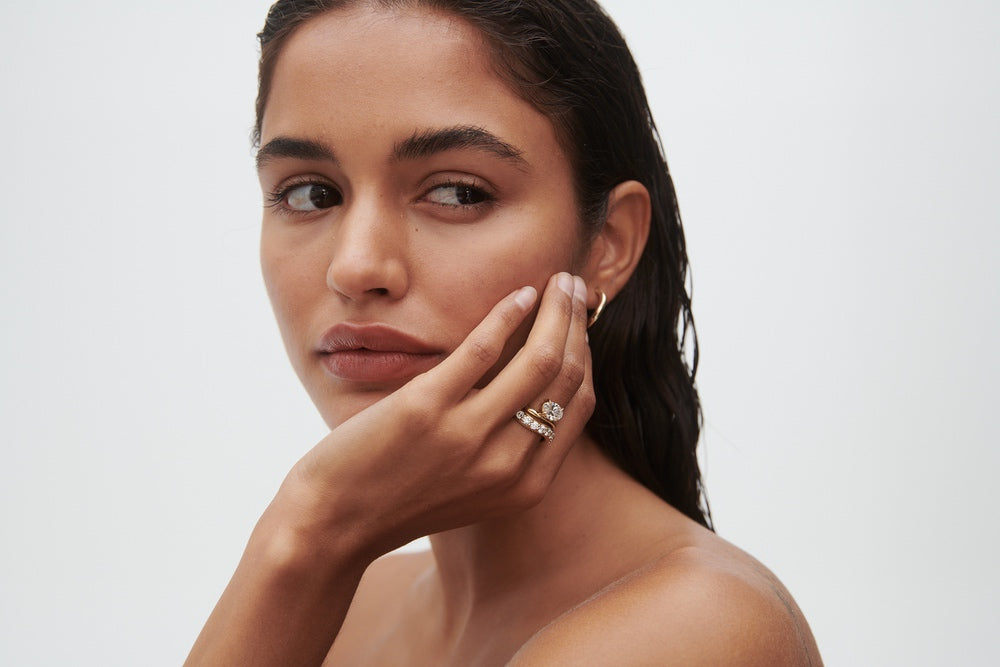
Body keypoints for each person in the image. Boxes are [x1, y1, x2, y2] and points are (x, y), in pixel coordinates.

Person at [187, 0, 822, 664]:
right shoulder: (352, 603)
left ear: (608, 242)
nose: (355, 267)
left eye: (458, 192)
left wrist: (309, 529)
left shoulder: (698, 626)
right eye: (310, 194)